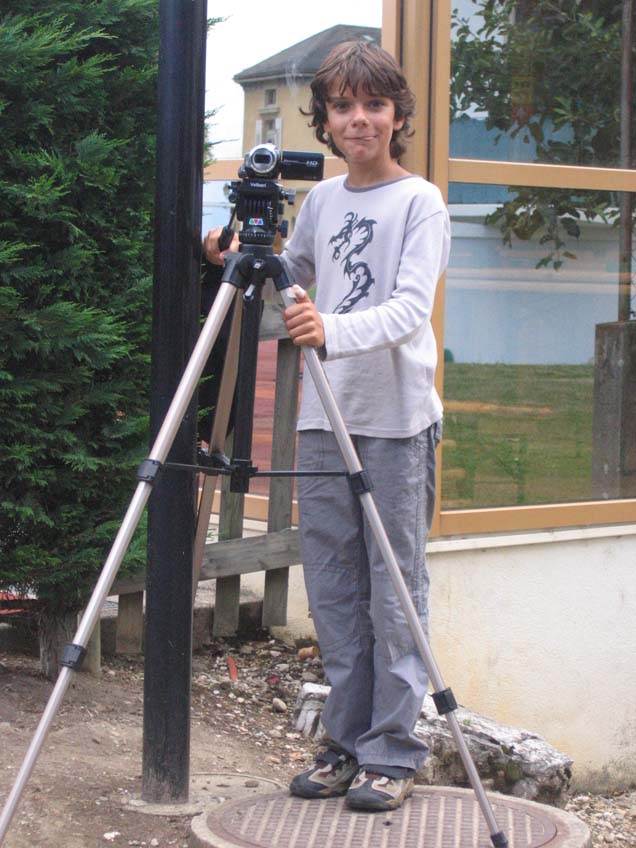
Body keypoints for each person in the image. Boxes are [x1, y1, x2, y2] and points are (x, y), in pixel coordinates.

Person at [203, 39, 450, 812]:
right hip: (323, 417)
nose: (359, 119)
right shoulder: (322, 203)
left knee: (393, 589)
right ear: (325, 121)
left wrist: (330, 331)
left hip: (395, 422)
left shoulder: (420, 201)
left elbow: (409, 309)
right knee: (336, 590)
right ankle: (345, 743)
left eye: (374, 104)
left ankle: (393, 750)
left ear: (398, 115)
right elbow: (296, 279)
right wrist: (239, 258)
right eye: (343, 107)